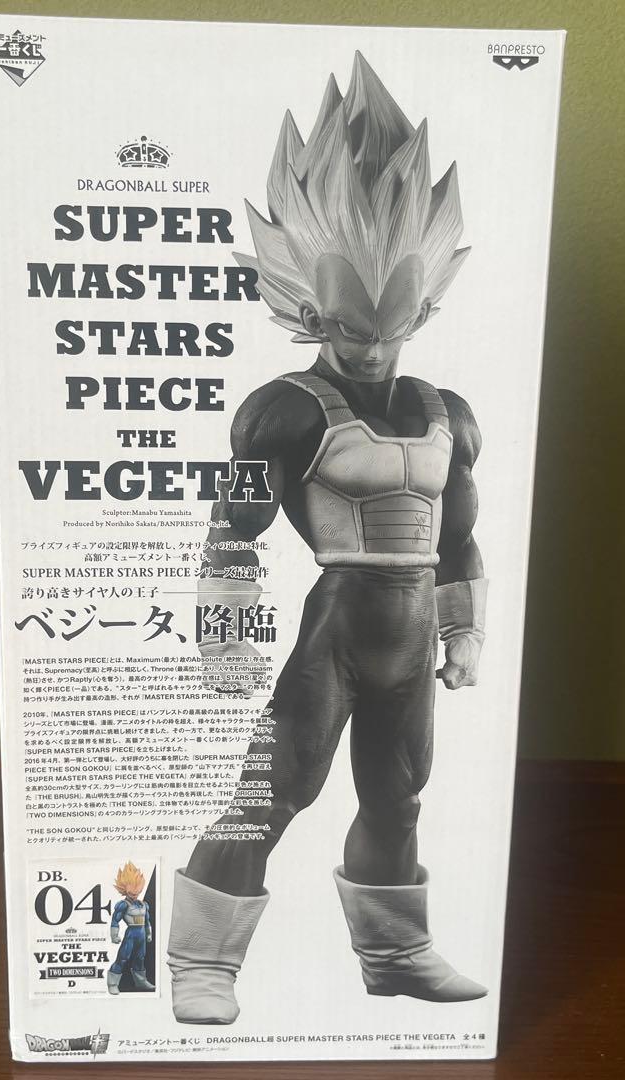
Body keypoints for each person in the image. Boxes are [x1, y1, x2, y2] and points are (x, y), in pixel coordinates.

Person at [167, 53, 488, 1025]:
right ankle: (200, 961)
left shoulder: (448, 413)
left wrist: (465, 631)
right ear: (309, 308)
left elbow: (460, 537)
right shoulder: (284, 410)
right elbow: (233, 527)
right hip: (336, 631)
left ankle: (395, 954)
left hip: (411, 633)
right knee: (274, 789)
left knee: (398, 798)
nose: (373, 348)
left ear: (424, 305)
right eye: (352, 330)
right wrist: (223, 638)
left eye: (391, 329)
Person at [107, 861, 155, 994]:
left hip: (141, 934)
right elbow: (115, 920)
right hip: (131, 934)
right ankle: (112, 983)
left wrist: (149, 933)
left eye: (137, 892)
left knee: (140, 958)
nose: (134, 895)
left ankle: (141, 981)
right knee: (123, 957)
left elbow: (147, 921)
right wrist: (114, 936)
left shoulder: (144, 904)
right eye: (131, 892)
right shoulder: (123, 905)